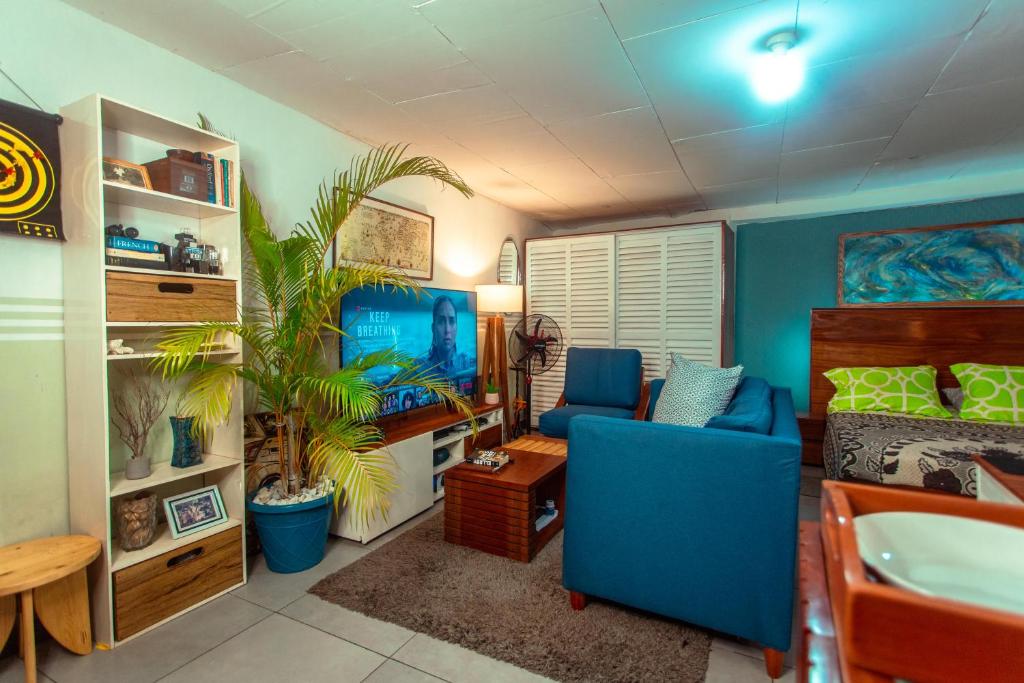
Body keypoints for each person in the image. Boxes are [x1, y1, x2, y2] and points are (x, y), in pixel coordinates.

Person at [416, 295, 473, 381]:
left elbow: (485, 369)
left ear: (457, 328)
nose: (447, 330)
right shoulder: (419, 366)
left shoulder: (466, 362)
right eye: (441, 322)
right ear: (433, 328)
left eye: (452, 321)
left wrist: (457, 375)